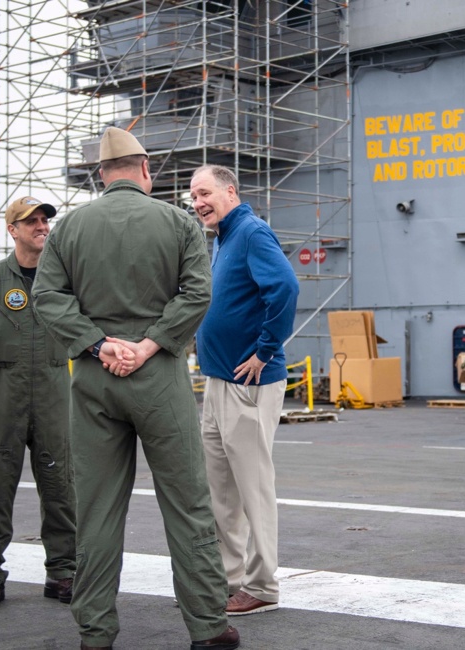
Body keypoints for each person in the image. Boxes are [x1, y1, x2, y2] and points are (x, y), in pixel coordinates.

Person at [32, 128, 238, 650]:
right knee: (187, 503)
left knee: (97, 508)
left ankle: (96, 632)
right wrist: (149, 345)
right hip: (159, 376)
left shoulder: (70, 228)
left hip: (95, 380)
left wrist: (99, 345)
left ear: (102, 175)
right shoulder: (177, 221)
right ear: (146, 170)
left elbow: (48, 297)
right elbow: (198, 291)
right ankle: (208, 628)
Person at [190, 164, 299, 616]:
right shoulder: (222, 240)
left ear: (229, 191)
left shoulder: (251, 232)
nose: (198, 202)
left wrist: (264, 350)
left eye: (205, 193)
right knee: (222, 492)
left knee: (252, 490)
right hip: (218, 384)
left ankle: (262, 586)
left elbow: (285, 287)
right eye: (193, 197)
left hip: (248, 384)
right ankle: (229, 579)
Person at [0, 196, 76, 612]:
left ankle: (62, 572)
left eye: (45, 220)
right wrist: (3, 372)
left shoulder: (62, 282)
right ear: (13, 230)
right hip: (2, 400)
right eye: (32, 222)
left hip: (52, 396)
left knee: (61, 486)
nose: (41, 226)